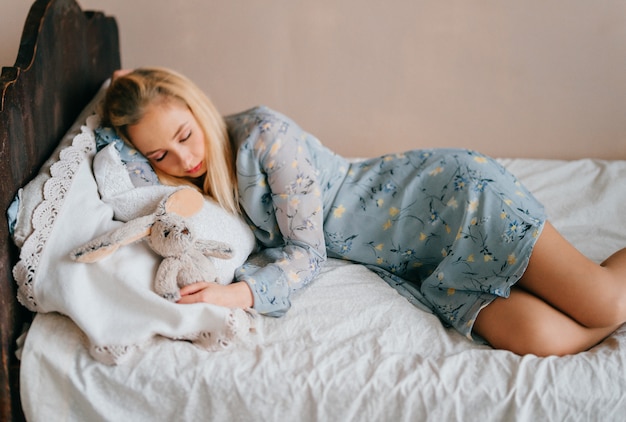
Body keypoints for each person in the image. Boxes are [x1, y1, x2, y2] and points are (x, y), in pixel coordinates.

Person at [102, 67, 626, 357]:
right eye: (160, 155)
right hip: (419, 259)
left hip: (451, 200)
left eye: (184, 135)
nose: (183, 159)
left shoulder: (265, 139)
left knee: (604, 304)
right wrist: (111, 89)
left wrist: (236, 293)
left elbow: (308, 253)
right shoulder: (194, 178)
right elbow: (120, 164)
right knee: (542, 340)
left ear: (196, 106)